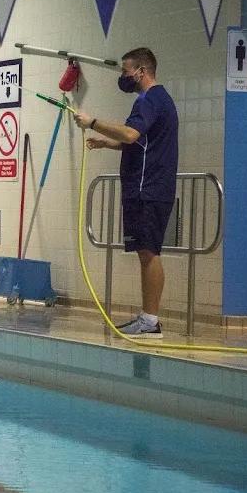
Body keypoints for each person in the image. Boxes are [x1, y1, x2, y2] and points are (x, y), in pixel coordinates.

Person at [74, 47, 178, 338]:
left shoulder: (150, 100)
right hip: (149, 186)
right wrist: (107, 144)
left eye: (125, 71)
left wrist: (91, 121)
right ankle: (148, 318)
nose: (123, 76)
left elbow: (131, 134)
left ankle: (150, 321)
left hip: (148, 188)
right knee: (146, 252)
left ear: (141, 71)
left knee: (149, 252)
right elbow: (142, 142)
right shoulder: (158, 100)